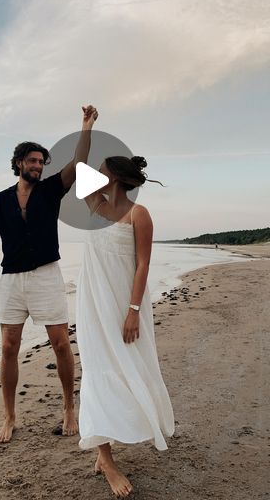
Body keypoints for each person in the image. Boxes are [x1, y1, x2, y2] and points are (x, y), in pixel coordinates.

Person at [0, 105, 98, 443]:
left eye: (42, 162)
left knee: (59, 343)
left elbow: (78, 164)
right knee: (9, 347)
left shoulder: (51, 190)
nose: (38, 166)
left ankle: (69, 406)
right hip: (11, 280)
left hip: (45, 276)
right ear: (19, 164)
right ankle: (10, 416)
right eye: (33, 161)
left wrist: (85, 126)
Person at [76, 155, 174, 498]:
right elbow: (77, 164)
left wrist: (133, 311)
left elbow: (143, 266)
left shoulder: (138, 214)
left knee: (130, 369)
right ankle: (105, 459)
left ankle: (119, 433)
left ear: (114, 177)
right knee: (96, 371)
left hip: (124, 306)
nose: (97, 174)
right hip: (92, 306)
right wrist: (86, 127)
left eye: (103, 170)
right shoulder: (95, 206)